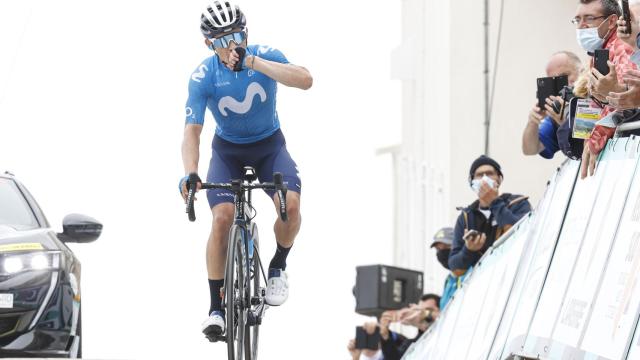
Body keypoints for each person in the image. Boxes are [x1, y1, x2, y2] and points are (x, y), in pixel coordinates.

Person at [179, 0, 313, 338]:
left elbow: (306, 80)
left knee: (290, 207)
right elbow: (191, 132)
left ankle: (278, 265)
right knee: (222, 218)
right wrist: (191, 172)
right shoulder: (203, 76)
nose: (231, 46)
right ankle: (215, 309)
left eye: (237, 36)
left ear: (246, 33)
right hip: (228, 153)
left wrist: (254, 62)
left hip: (270, 146)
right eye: (222, 41)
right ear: (209, 44)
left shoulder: (264, 54)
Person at [572, 0, 637, 177]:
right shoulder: (600, 52)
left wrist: (595, 138)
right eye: (577, 20)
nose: (581, 26)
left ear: (611, 22)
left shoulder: (620, 46)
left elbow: (626, 98)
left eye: (589, 18)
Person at [448, 156, 531, 273]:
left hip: (515, 275)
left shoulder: (518, 203)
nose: (484, 178)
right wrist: (469, 250)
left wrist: (494, 202)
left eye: (489, 173)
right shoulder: (466, 218)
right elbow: (455, 268)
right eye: (479, 175)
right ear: (472, 182)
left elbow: (520, 234)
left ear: (499, 179)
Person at [522, 51, 583, 159]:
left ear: (581, 72)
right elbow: (530, 149)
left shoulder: (596, 99)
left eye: (565, 76)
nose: (563, 84)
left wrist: (564, 122)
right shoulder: (555, 115)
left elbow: (588, 144)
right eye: (555, 80)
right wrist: (533, 122)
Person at [378, 294, 441, 360]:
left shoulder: (446, 330)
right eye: (418, 310)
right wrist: (385, 336)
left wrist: (423, 314)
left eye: (429, 310)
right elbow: (395, 358)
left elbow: (438, 317)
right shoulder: (414, 342)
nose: (419, 314)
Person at [430, 227, 468, 309]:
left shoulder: (473, 271)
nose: (441, 252)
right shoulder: (449, 280)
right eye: (438, 249)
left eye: (446, 246)